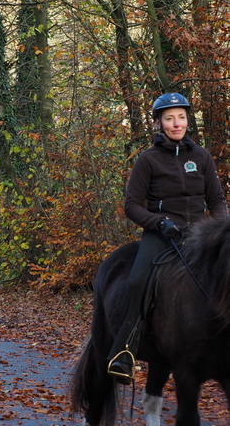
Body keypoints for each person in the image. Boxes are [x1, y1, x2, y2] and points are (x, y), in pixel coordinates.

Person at [107, 92, 228, 383]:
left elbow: (217, 199)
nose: (177, 124)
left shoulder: (201, 156)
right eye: (170, 118)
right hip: (162, 235)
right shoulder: (147, 160)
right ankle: (125, 351)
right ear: (159, 123)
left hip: (201, 234)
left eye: (181, 117)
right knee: (136, 281)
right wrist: (158, 222)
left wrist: (223, 228)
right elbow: (131, 205)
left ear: (188, 120)